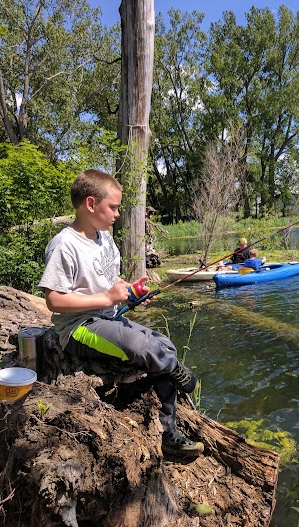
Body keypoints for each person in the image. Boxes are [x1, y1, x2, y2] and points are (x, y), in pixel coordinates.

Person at [38, 169, 204, 457]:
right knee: (143, 346)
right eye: (112, 207)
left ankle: (168, 432)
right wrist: (106, 297)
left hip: (109, 318)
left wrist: (130, 290)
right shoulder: (64, 244)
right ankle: (179, 374)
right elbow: (53, 299)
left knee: (164, 344)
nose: (116, 214)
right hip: (80, 328)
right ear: (91, 204)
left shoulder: (105, 239)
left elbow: (110, 281)